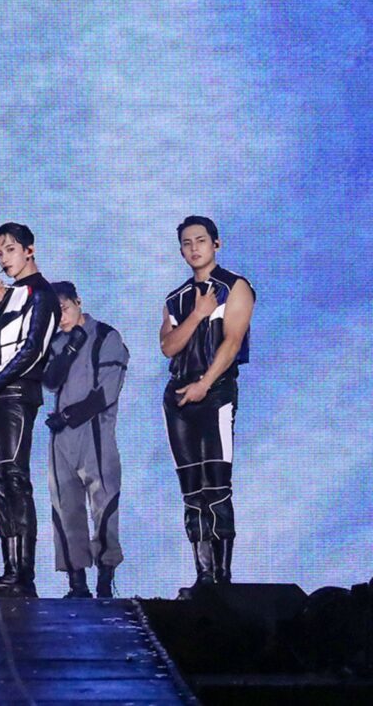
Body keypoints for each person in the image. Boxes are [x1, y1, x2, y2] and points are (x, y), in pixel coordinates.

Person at [158, 215, 253, 597]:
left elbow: (232, 342)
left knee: (217, 486)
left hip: (215, 393)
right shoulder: (176, 298)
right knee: (192, 490)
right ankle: (204, 576)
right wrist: (197, 313)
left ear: (216, 243)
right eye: (186, 243)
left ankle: (223, 580)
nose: (194, 248)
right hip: (179, 397)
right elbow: (168, 346)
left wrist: (205, 383)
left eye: (200, 240)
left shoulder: (235, 287)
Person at [0, 222, 59, 598]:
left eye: (10, 250)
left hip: (16, 395)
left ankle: (22, 575)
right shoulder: (4, 293)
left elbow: (33, 350)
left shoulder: (42, 294)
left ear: (29, 250)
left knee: (15, 479)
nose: (4, 259)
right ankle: (10, 571)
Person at [43, 281, 129, 599]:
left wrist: (69, 416)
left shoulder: (106, 336)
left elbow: (107, 391)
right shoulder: (56, 342)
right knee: (65, 506)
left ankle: (106, 579)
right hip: (62, 438)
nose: (61, 317)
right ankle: (76, 584)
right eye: (54, 314)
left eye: (64, 308)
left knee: (104, 503)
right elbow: (50, 381)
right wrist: (69, 348)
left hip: (95, 432)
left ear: (78, 302)